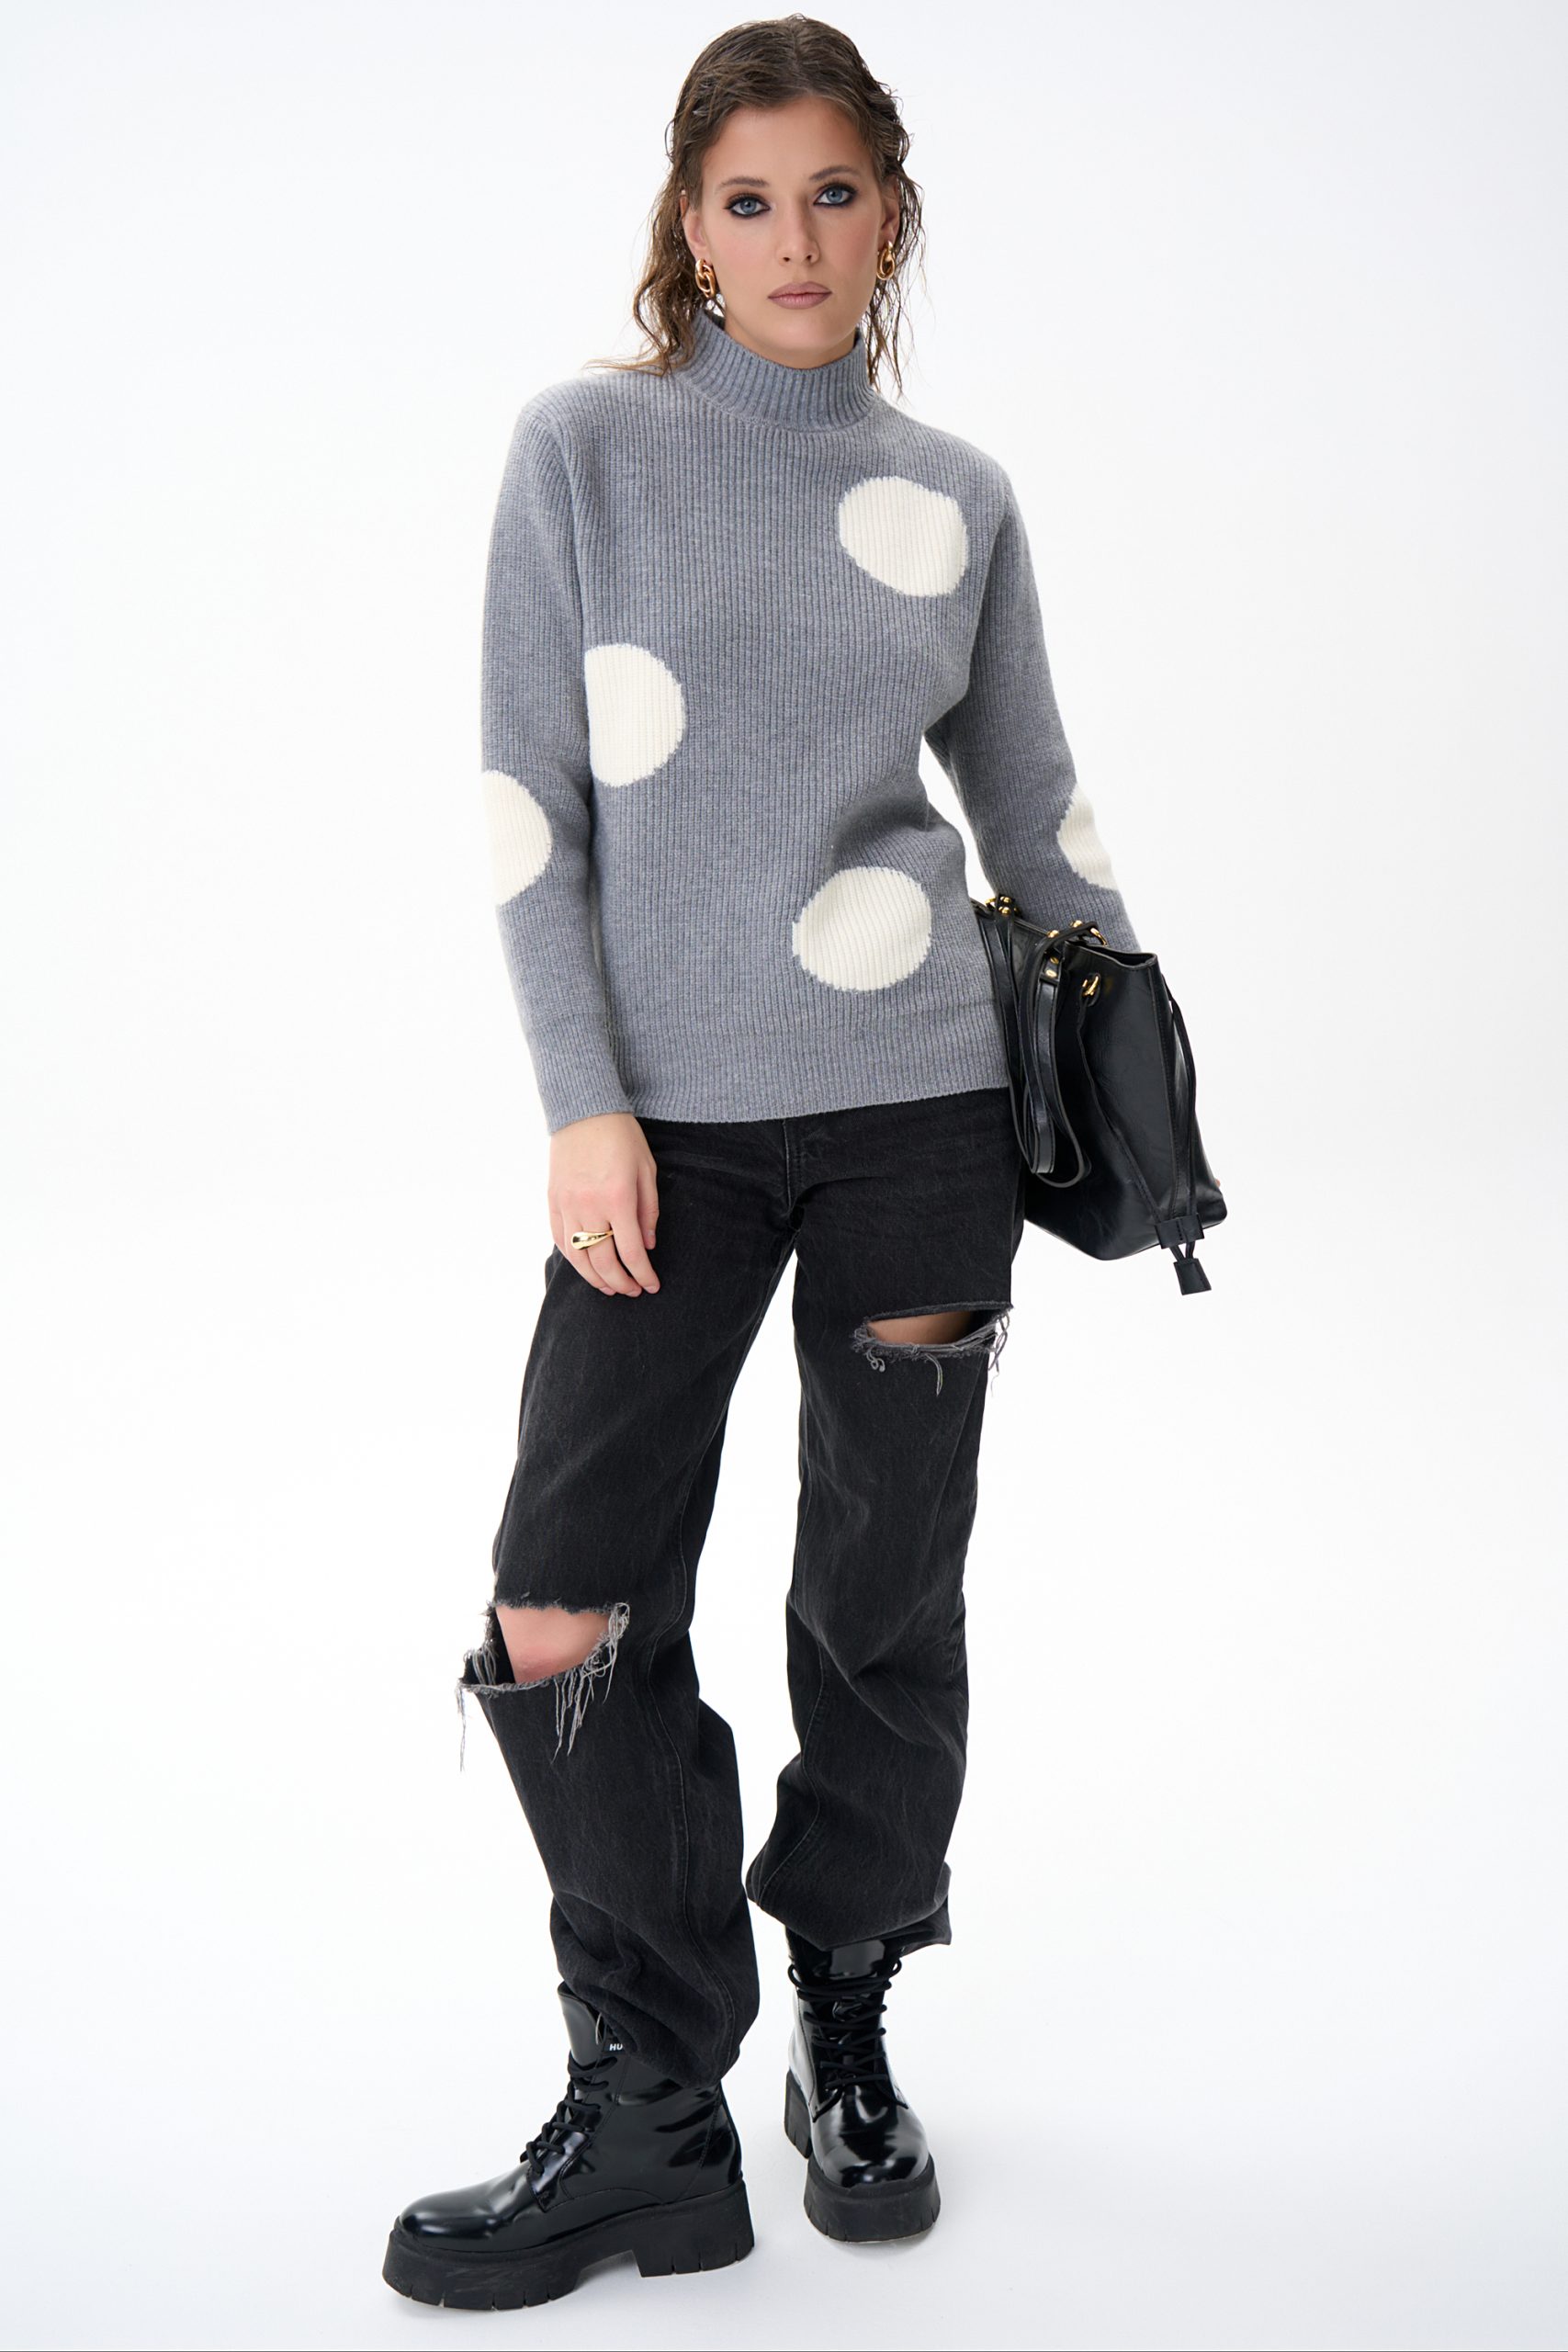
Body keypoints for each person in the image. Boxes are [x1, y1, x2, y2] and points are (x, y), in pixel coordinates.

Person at [382, 13, 1143, 2313]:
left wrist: (1139, 1070)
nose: (792, 238)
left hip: (919, 1113)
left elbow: (1033, 813)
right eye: (747, 199)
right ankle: (648, 2093)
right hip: (666, 1134)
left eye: (832, 193)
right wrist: (579, 1097)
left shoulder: (959, 494)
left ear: (886, 216)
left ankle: (844, 2014)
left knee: (879, 1597)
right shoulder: (584, 451)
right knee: (564, 1598)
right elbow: (528, 806)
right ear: (687, 229)